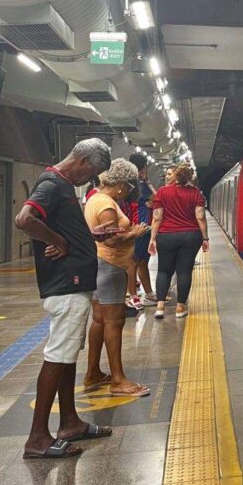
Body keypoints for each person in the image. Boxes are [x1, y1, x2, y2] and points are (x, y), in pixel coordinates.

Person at [14, 138, 114, 459]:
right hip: (65, 286)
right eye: (93, 172)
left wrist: (86, 236)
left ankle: (69, 423)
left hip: (73, 286)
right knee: (58, 356)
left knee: (67, 355)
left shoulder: (64, 187)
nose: (91, 179)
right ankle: (38, 438)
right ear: (83, 161)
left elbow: (58, 225)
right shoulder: (53, 184)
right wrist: (60, 241)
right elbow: (25, 219)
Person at [83, 158, 151, 396]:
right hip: (109, 266)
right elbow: (110, 239)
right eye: (129, 188)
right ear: (122, 184)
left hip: (99, 264)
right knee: (115, 321)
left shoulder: (95, 198)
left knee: (100, 319)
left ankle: (92, 373)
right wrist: (135, 232)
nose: (128, 194)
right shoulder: (107, 205)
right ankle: (118, 380)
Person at [149, 163, 208, 319]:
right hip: (190, 236)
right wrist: (205, 238)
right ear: (189, 177)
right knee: (184, 271)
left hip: (166, 236)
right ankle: (180, 308)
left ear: (175, 176)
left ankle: (160, 307)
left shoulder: (162, 192)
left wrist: (152, 239)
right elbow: (200, 217)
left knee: (163, 270)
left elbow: (157, 217)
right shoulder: (196, 193)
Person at [126, 153, 158, 310]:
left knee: (143, 262)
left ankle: (149, 293)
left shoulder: (132, 184)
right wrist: (147, 181)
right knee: (133, 263)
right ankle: (133, 296)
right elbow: (159, 197)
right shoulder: (140, 184)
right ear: (143, 167)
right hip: (137, 229)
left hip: (144, 229)